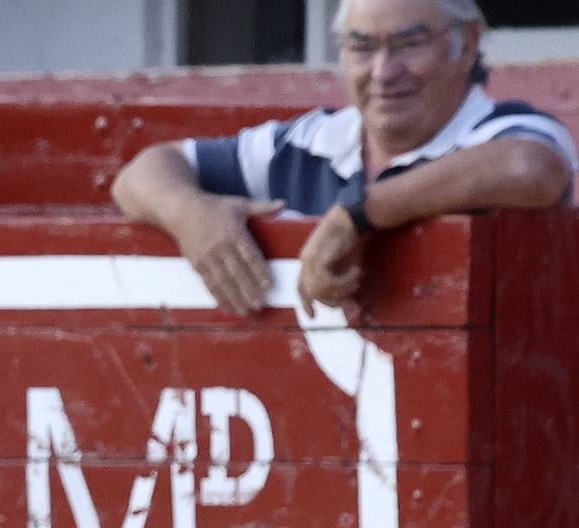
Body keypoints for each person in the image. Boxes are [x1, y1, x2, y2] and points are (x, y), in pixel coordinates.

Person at [112, 0, 573, 322]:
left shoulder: (504, 130)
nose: (384, 72)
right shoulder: (310, 141)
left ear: (466, 45)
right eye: (362, 47)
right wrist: (191, 214)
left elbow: (529, 170)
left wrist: (357, 217)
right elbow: (141, 174)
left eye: (409, 44)